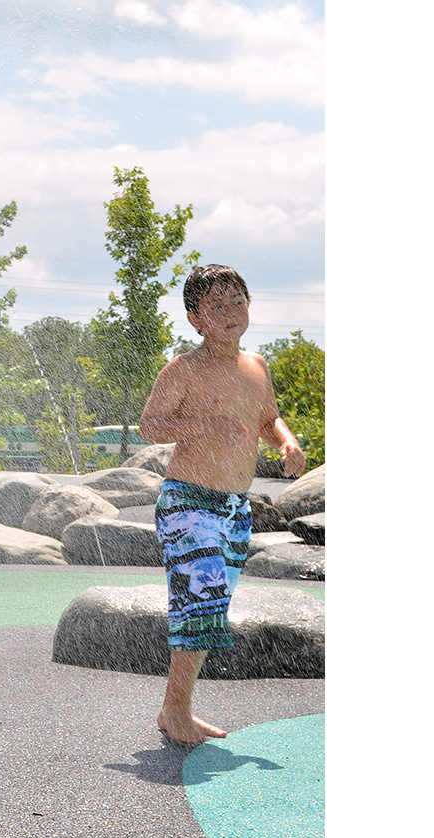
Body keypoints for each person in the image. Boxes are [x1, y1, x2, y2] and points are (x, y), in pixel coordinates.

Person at [137, 264, 306, 745]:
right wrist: (201, 425)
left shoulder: (256, 367)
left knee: (211, 606)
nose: (230, 313)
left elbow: (268, 417)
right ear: (195, 318)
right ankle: (177, 712)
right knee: (202, 602)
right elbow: (151, 427)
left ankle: (176, 709)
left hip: (234, 508)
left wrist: (286, 442)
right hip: (188, 501)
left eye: (238, 302)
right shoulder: (184, 369)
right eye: (217, 306)